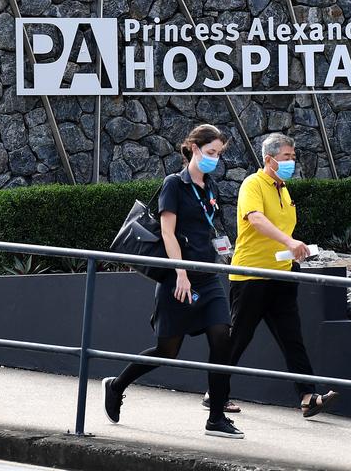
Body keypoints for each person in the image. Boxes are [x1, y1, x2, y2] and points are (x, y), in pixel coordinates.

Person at [102, 124, 244, 439]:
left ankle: (217, 418)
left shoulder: (211, 186)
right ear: (193, 148)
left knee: (222, 339)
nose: (215, 160)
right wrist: (180, 272)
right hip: (178, 279)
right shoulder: (174, 185)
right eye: (210, 153)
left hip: (207, 278)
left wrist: (224, 252)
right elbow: (168, 232)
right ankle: (117, 385)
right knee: (167, 351)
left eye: (218, 154)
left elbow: (210, 228)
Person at [202, 132, 338, 417]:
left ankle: (307, 395)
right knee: (239, 337)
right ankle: (215, 393)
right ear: (269, 159)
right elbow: (256, 219)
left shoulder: (283, 188)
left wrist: (294, 248)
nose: (292, 162)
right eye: (287, 157)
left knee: (292, 337)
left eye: (293, 157)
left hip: (281, 274)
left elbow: (280, 228)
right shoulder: (253, 184)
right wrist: (290, 242)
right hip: (252, 275)